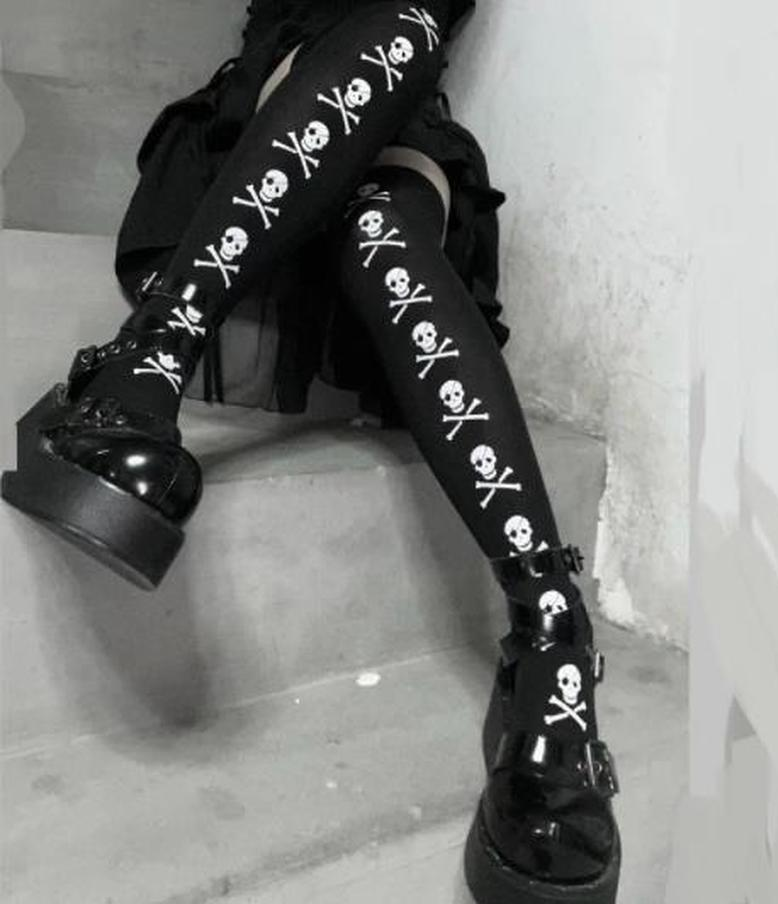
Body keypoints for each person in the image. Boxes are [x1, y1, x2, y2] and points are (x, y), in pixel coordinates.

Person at [1, 2, 621, 901]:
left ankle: (550, 626)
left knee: (394, 131)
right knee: (392, 37)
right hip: (275, 118)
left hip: (403, 148)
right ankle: (553, 636)